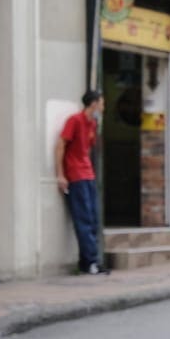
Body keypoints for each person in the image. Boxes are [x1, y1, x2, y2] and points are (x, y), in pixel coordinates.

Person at [55, 90, 107, 275]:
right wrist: (61, 175)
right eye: (101, 104)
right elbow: (60, 145)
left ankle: (87, 261)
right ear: (93, 104)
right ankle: (91, 261)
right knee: (83, 218)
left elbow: (89, 149)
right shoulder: (74, 120)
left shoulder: (92, 123)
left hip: (88, 174)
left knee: (93, 218)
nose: (103, 108)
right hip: (76, 175)